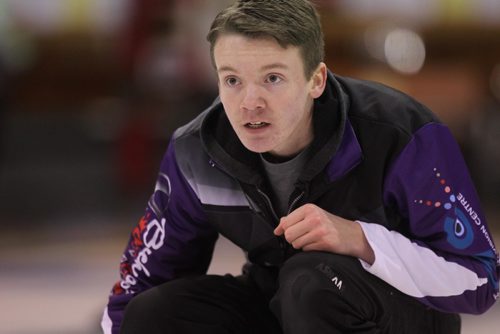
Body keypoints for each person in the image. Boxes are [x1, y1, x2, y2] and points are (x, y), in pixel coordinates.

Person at [102, 1, 500, 333]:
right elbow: (139, 286)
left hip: (399, 314)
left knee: (309, 284)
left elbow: (480, 281)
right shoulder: (195, 152)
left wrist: (362, 240)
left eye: (272, 78)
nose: (250, 103)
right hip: (284, 304)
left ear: (316, 79)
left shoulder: (403, 135)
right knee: (154, 313)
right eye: (232, 80)